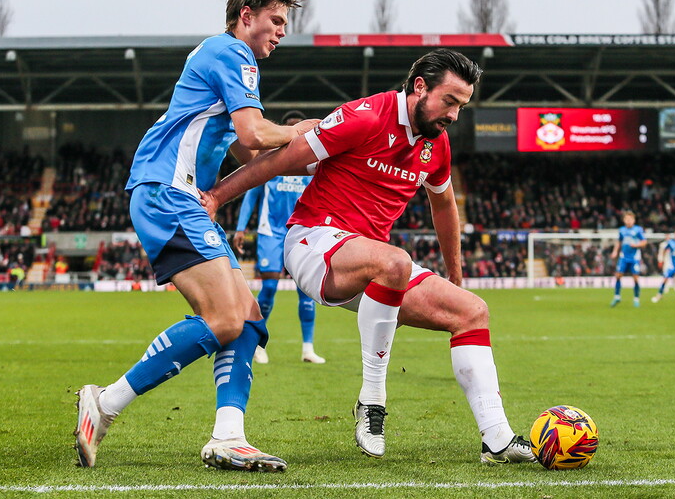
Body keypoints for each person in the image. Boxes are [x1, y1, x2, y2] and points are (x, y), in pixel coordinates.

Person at [204, 49, 537, 465]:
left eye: (462, 106)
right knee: (393, 261)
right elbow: (279, 162)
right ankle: (372, 401)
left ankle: (498, 438)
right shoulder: (365, 116)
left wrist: (455, 273)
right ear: (420, 87)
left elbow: (444, 205)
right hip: (314, 242)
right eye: (450, 101)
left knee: (471, 311)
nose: (454, 115)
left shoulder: (437, 145)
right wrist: (217, 196)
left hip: (374, 265)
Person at [73, 0, 318, 472]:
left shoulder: (225, 56)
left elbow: (244, 143)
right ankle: (106, 403)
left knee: (248, 317)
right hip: (166, 191)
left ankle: (229, 436)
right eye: (275, 20)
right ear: (245, 16)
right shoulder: (233, 53)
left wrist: (283, 153)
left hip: (181, 196)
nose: (281, 31)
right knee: (225, 317)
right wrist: (304, 132)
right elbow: (254, 132)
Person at [233, 110, 325, 364]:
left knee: (306, 290)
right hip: (270, 232)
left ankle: (308, 348)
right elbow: (251, 194)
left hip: (301, 230)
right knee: (270, 286)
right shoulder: (270, 162)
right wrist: (241, 228)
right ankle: (257, 345)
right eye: (291, 130)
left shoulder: (311, 167)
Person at [609, 211, 647, 307]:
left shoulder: (638, 230)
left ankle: (636, 299)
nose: (628, 221)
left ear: (633, 220)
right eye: (626, 219)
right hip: (623, 257)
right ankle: (617, 296)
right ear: (624, 220)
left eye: (630, 219)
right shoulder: (622, 230)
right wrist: (615, 251)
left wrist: (636, 245)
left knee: (635, 278)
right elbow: (619, 242)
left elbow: (644, 242)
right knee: (618, 275)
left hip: (634, 257)